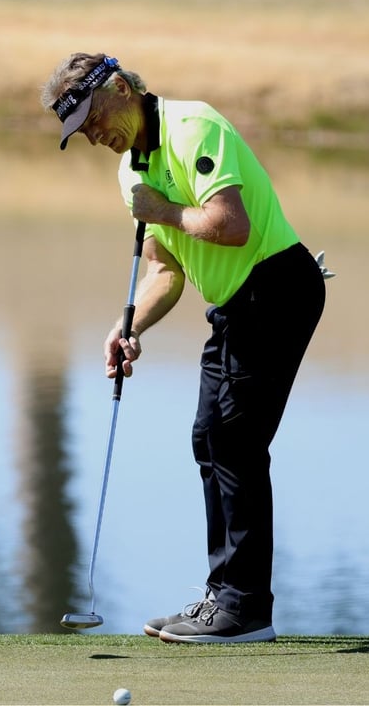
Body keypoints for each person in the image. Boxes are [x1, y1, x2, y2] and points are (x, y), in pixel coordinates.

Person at [40, 53, 326, 643]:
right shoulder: (132, 173)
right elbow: (165, 271)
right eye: (83, 132)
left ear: (120, 89)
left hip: (277, 287)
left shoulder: (193, 126)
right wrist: (130, 328)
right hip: (234, 309)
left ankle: (246, 609)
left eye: (93, 119)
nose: (94, 137)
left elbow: (232, 224)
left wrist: (164, 210)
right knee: (209, 437)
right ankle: (223, 597)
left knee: (235, 440)